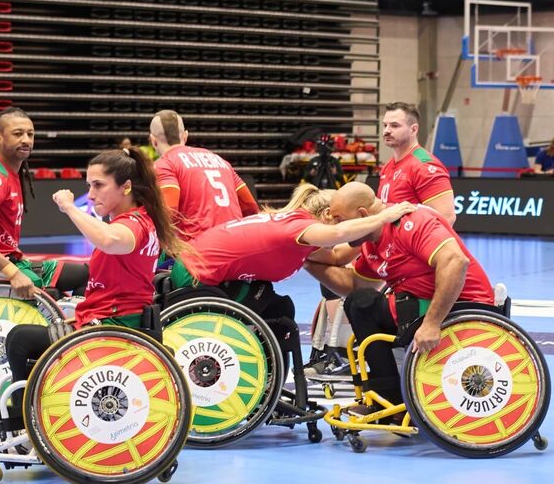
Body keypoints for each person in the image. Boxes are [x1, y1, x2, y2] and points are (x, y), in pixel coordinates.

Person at [3, 148, 186, 415]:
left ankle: (24, 421)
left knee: (19, 339)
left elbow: (110, 240)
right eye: (89, 186)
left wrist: (68, 207)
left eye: (98, 185)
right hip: (112, 319)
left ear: (126, 187)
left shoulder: (134, 225)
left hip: (113, 326)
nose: (90, 195)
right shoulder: (142, 220)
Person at [303, 182, 495, 416]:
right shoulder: (371, 242)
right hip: (416, 305)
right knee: (360, 302)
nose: (337, 228)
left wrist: (432, 323)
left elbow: (456, 261)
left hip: (463, 306)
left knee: (362, 304)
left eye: (340, 220)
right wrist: (305, 260)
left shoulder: (412, 222)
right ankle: (390, 400)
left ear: (362, 214)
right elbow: (353, 286)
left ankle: (390, 401)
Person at [306, 102, 458, 381]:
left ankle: (349, 358)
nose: (387, 130)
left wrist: (408, 255)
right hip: (386, 245)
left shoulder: (424, 166)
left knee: (362, 298)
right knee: (348, 287)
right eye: (385, 125)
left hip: (414, 252)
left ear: (414, 129)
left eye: (395, 125)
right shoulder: (389, 167)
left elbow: (446, 217)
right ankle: (372, 372)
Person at [168, 184, 415, 333]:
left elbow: (338, 256)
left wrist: (370, 236)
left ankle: (266, 382)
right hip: (196, 278)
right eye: (346, 219)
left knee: (278, 308)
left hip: (197, 268)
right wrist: (384, 217)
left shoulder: (299, 232)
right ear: (328, 214)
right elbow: (338, 234)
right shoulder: (301, 228)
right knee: (276, 311)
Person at [0, 106, 87, 299]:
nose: (26, 140)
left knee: (84, 275)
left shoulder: (10, 173)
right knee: (50, 293)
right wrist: (13, 272)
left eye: (30, 134)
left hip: (6, 260)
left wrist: (16, 255)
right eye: (17, 134)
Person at [151, 109, 259, 241]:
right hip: (236, 244)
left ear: (153, 141)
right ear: (185, 136)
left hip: (200, 250)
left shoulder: (164, 164)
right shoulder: (220, 160)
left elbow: (169, 215)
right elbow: (251, 207)